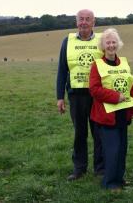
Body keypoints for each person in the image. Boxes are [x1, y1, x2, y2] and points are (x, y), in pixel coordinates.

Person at [89, 28, 133, 190]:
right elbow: (94, 89)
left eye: (114, 42)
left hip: (122, 115)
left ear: (118, 44)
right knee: (112, 150)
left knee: (122, 149)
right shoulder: (97, 65)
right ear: (102, 46)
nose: (111, 45)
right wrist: (115, 97)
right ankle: (110, 182)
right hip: (105, 116)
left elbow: (132, 87)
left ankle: (119, 178)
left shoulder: (124, 63)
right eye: (108, 42)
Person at [56, 9, 104, 181]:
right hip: (76, 95)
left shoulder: (102, 40)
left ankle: (100, 168)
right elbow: (62, 70)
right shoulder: (67, 41)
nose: (84, 22)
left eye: (87, 19)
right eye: (81, 19)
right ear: (76, 22)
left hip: (97, 95)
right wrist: (60, 97)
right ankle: (79, 168)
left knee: (98, 132)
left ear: (94, 22)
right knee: (79, 133)